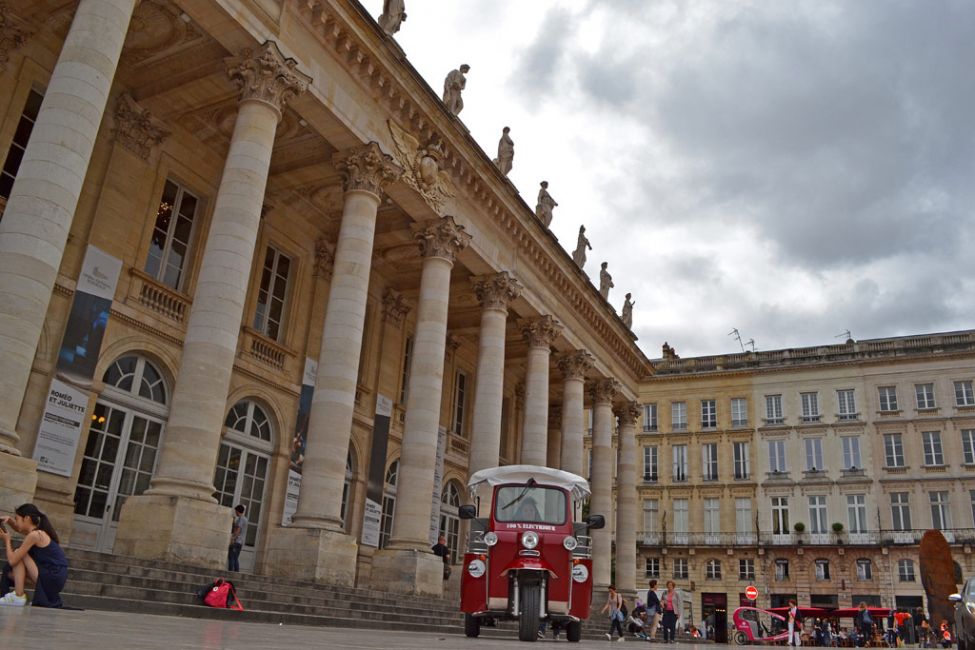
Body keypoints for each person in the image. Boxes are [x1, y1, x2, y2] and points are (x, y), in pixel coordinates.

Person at [0, 503, 69, 607]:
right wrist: (9, 520)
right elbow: (18, 528)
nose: (16, 522)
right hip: (55, 577)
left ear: (27, 518)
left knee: (19, 553)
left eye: (16, 518)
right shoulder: (38, 532)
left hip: (53, 576)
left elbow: (13, 560)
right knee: (10, 574)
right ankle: (16, 595)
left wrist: (7, 540)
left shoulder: (35, 535)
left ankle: (19, 596)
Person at [228, 504, 247, 572]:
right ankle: (236, 573)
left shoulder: (241, 519)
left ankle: (231, 572)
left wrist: (233, 539)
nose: (235, 512)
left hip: (237, 541)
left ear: (238, 511)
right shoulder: (244, 519)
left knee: (231, 557)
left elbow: (238, 530)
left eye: (236, 511)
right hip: (240, 542)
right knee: (235, 558)